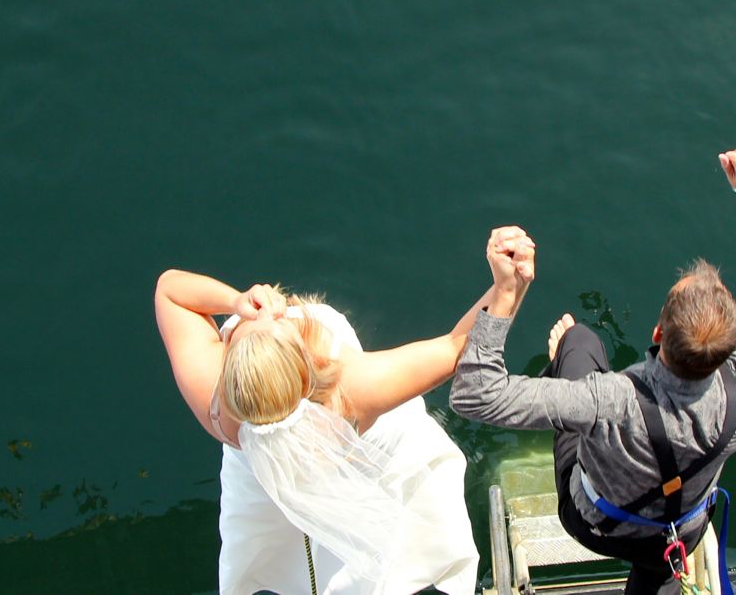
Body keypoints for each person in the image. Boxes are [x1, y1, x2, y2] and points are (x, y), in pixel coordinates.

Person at [450, 143, 736, 594]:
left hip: (595, 525)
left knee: (580, 341)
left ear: (657, 332)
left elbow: (474, 394)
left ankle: (563, 357)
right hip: (677, 533)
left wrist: (506, 293)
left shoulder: (609, 398)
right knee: (659, 571)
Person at [154, 227, 534, 595]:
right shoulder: (350, 392)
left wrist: (236, 303)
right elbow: (458, 347)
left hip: (266, 486)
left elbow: (170, 291)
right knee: (387, 549)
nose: (267, 312)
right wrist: (508, 287)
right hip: (356, 458)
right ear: (308, 367)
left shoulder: (217, 408)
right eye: (278, 325)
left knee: (287, 558)